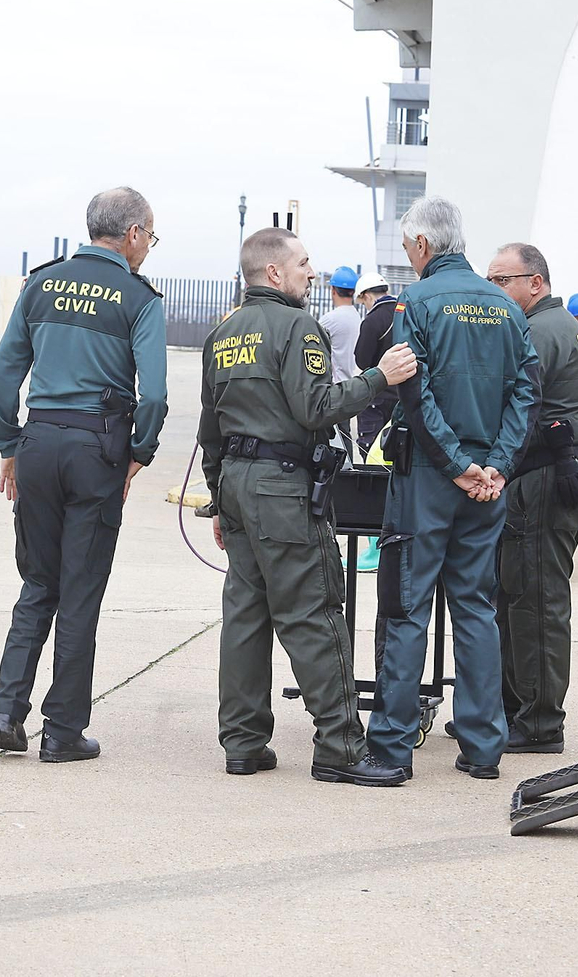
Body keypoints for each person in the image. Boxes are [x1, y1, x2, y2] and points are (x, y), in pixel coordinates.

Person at [199, 227, 417, 786]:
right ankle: (341, 746)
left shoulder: (223, 333)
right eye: (303, 263)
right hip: (282, 488)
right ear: (274, 272)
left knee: (245, 615)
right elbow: (317, 406)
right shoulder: (298, 327)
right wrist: (379, 378)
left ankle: (243, 743)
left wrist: (220, 498)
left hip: (238, 485)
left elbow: (211, 429)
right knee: (313, 611)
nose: (312, 273)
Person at [0, 187, 168, 763]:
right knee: (80, 592)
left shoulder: (40, 284)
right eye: (150, 236)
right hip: (97, 450)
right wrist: (139, 452)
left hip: (38, 443)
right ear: (133, 234)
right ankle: (62, 731)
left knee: (38, 584)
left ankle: (6, 711)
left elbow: (4, 373)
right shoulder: (139, 298)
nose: (149, 247)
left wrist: (8, 443)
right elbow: (154, 395)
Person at [365, 196, 538, 781]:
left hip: (429, 479)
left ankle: (391, 748)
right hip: (487, 483)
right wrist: (497, 466)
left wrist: (456, 464)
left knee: (408, 606)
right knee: (475, 608)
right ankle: (483, 748)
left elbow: (413, 393)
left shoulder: (416, 301)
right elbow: (527, 393)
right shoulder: (506, 306)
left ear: (421, 244)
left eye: (407, 247)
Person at [484, 244, 578, 753]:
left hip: (548, 477)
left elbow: (511, 407)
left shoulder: (539, 331)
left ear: (535, 282)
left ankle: (538, 724)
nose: (494, 290)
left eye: (502, 280)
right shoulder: (556, 326)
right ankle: (516, 712)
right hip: (552, 472)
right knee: (519, 596)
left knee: (535, 602)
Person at [352, 271, 398, 572]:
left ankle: (373, 546)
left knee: (372, 466)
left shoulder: (373, 320)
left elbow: (361, 359)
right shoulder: (406, 312)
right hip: (402, 399)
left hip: (376, 398)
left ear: (367, 296)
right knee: (396, 465)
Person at [318, 266, 361, 385]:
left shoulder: (330, 319)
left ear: (333, 290)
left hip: (337, 384)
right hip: (354, 382)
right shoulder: (356, 316)